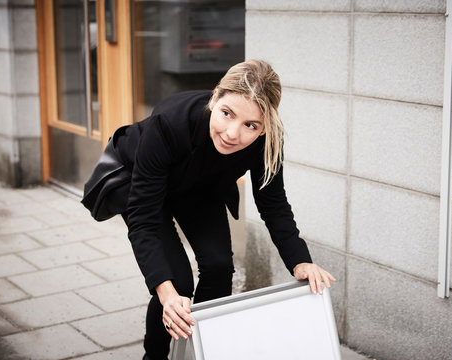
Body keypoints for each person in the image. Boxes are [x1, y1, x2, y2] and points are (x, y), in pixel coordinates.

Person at [114, 59, 336, 360]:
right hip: (144, 183)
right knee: (176, 283)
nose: (232, 133)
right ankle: (154, 356)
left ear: (264, 127)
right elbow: (143, 220)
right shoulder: (168, 123)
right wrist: (165, 292)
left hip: (199, 188)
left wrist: (299, 260)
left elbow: (274, 204)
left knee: (219, 266)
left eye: (250, 125)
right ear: (215, 97)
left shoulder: (268, 141)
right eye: (226, 113)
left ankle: (203, 350)